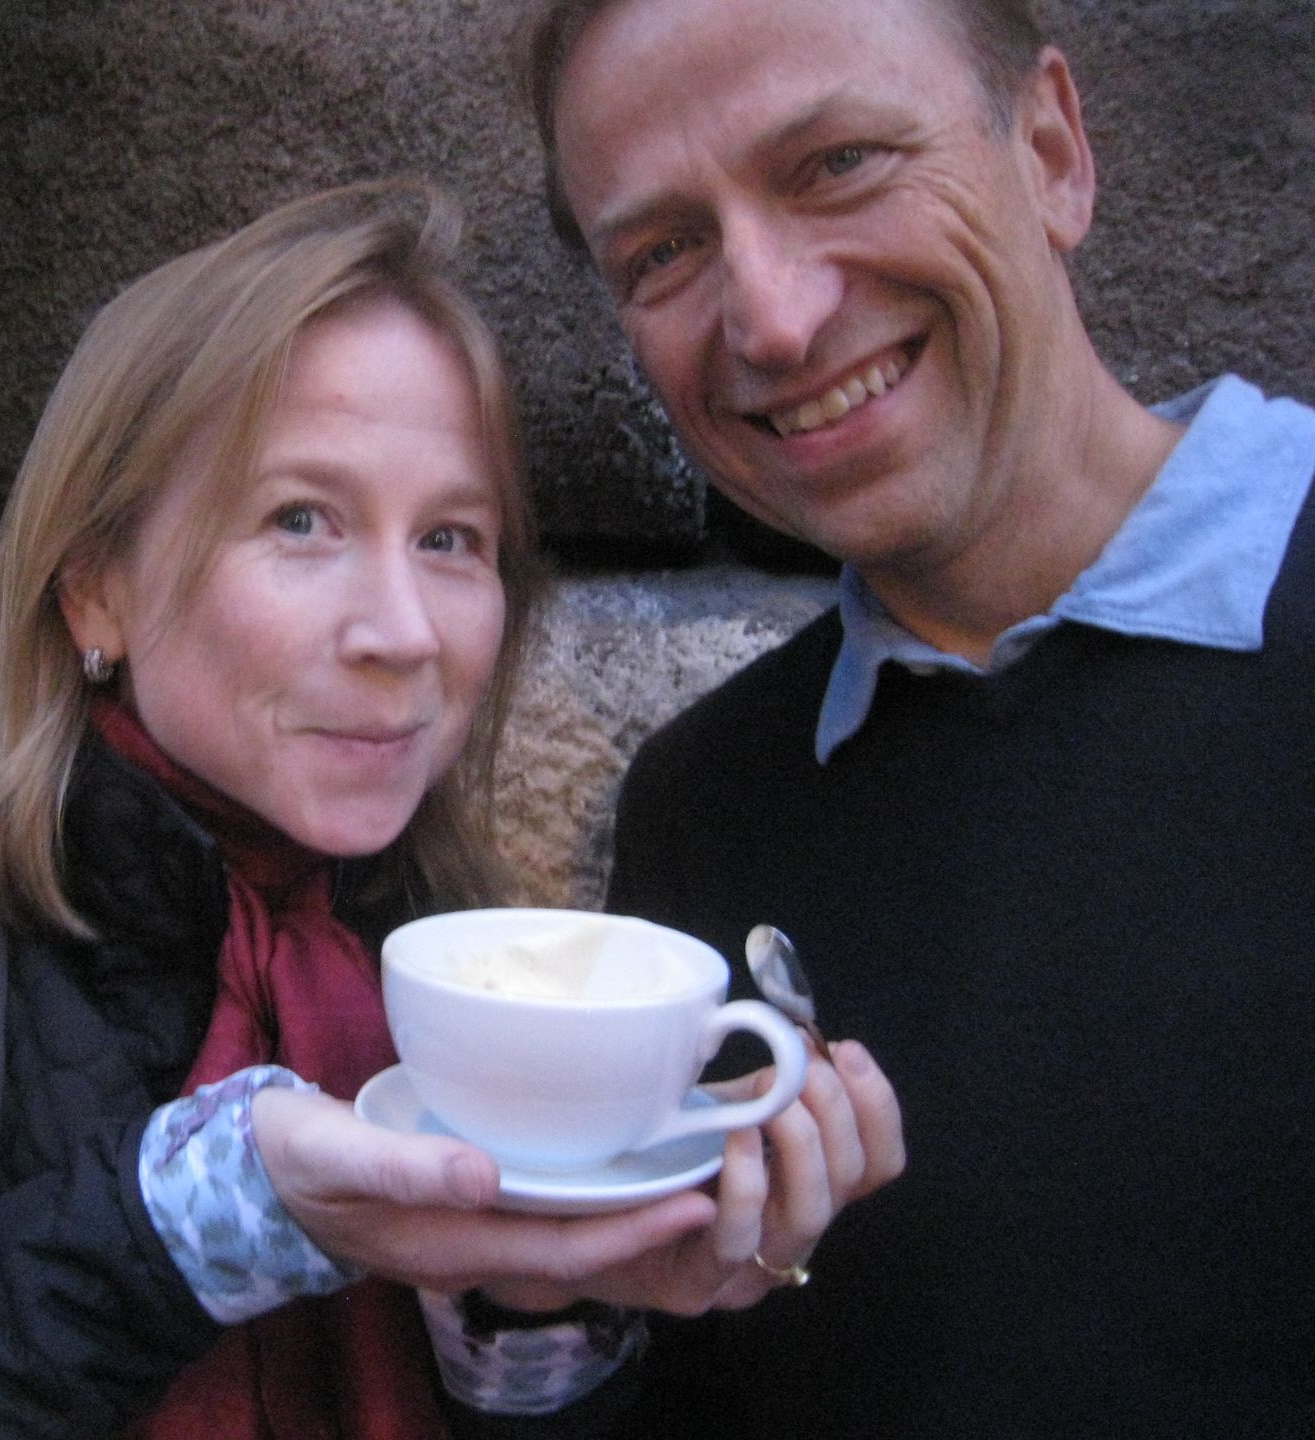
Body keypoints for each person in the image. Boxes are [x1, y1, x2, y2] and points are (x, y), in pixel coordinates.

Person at [0, 181, 903, 1439]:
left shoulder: (449, 956)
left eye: (451, 539)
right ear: (94, 588)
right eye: (302, 521)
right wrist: (213, 1217)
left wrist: (550, 1301)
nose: (401, 633)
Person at [523, 0, 1315, 1434]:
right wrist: (534, 1306)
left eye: (836, 163)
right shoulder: (708, 806)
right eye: (663, 252)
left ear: (1054, 153)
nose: (770, 316)